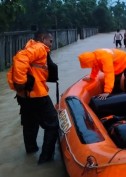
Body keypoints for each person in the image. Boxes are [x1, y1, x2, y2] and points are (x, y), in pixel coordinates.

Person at [6, 30, 59, 164]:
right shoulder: (40, 47)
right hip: (37, 95)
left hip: (24, 96)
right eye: (50, 41)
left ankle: (31, 153)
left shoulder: (29, 46)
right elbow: (20, 59)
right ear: (42, 38)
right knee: (52, 124)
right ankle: (45, 160)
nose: (51, 44)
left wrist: (21, 86)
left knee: (30, 124)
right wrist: (20, 82)